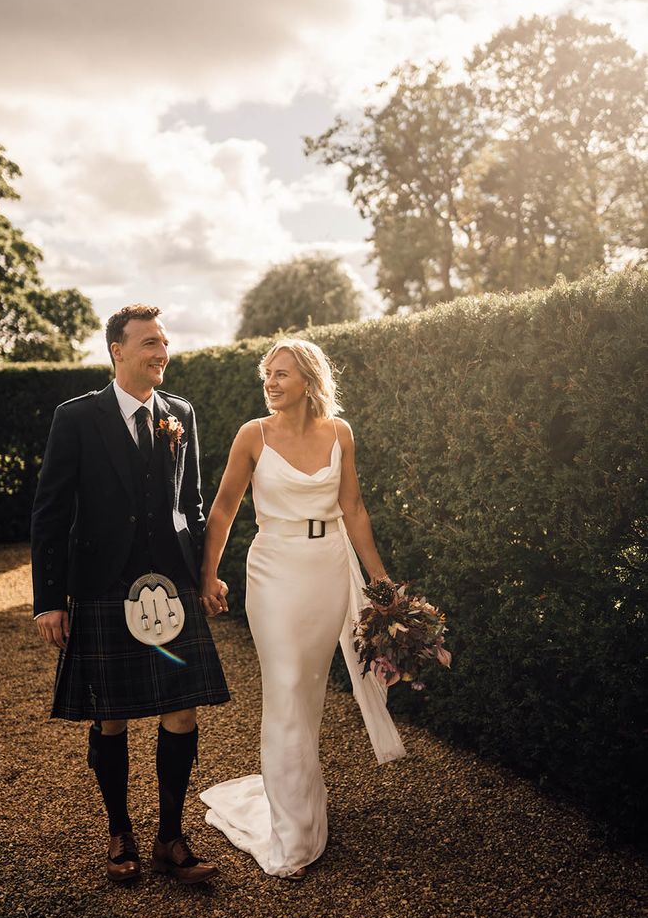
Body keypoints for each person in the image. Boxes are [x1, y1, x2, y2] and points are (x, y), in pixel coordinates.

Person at [31, 304, 230, 885]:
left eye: (164, 342)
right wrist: (50, 598)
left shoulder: (181, 414)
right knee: (110, 715)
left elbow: (189, 505)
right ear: (117, 350)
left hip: (169, 585)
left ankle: (171, 835)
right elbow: (50, 514)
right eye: (149, 343)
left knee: (182, 708)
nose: (160, 352)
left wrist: (204, 574)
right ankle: (121, 831)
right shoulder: (77, 418)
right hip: (102, 585)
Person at [199, 338, 405, 881]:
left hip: (328, 569)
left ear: (309, 380)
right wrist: (207, 573)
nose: (270, 382)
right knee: (286, 684)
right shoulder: (252, 435)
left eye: (282, 374)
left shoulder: (340, 433)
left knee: (307, 691)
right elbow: (223, 508)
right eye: (267, 374)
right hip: (273, 568)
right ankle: (293, 836)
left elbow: (353, 508)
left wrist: (381, 582)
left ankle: (300, 806)